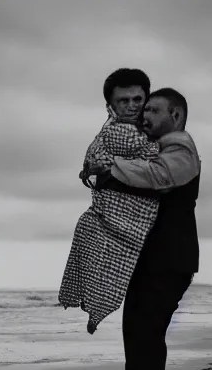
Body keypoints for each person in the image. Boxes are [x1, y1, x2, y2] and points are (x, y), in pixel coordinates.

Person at [85, 87, 201, 370]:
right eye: (143, 109)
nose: (143, 116)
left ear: (176, 115)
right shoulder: (152, 150)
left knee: (147, 334)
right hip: (151, 258)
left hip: (170, 259)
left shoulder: (180, 147)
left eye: (152, 110)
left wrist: (111, 168)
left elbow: (158, 176)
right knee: (136, 332)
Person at [59, 68, 162, 334]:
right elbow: (101, 159)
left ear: (147, 99)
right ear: (111, 106)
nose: (131, 106)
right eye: (123, 101)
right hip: (114, 216)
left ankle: (95, 308)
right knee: (89, 234)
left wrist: (105, 170)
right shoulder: (118, 132)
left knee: (143, 328)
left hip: (151, 235)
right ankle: (94, 307)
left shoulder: (161, 131)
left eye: (137, 100)